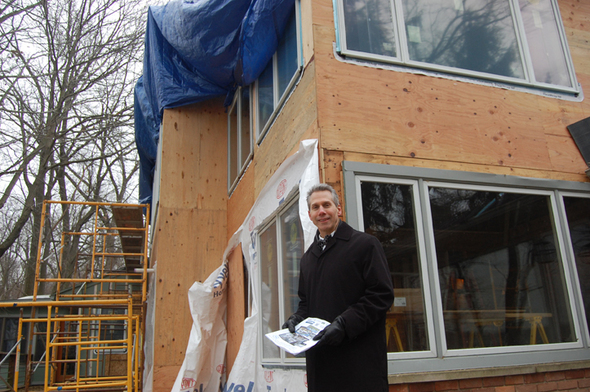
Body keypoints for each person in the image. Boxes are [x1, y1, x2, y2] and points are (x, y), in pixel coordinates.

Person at [283, 183, 394, 392]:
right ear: (309, 215)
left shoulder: (365, 245)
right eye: (315, 207)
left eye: (327, 205)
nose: (321, 211)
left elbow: (381, 295)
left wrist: (344, 324)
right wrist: (296, 320)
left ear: (338, 209)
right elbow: (306, 302)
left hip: (358, 363)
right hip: (321, 364)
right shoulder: (308, 258)